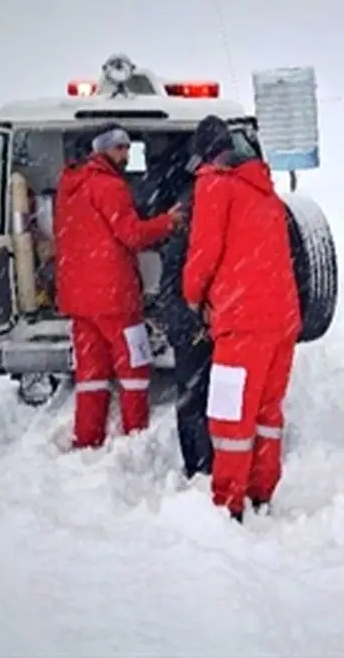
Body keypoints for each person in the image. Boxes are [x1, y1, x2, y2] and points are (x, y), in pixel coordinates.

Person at [182, 115, 301, 523]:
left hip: (242, 321)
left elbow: (203, 255)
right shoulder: (265, 192)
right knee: (267, 411)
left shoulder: (214, 185)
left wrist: (193, 299)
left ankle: (228, 505)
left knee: (230, 415)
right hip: (281, 321)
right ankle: (261, 493)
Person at [54, 125, 183, 450]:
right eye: (120, 148)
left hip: (79, 299)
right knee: (134, 365)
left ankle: (87, 439)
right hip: (114, 297)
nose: (126, 155)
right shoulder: (110, 186)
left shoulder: (69, 185)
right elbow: (133, 235)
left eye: (127, 147)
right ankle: (135, 436)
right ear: (102, 151)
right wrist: (169, 222)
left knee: (91, 374)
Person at [142, 141, 215, 480]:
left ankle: (198, 463)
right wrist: (196, 316)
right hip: (189, 319)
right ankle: (200, 466)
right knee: (198, 395)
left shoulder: (187, 207)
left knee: (192, 394)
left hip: (184, 316)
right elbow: (190, 278)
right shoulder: (196, 215)